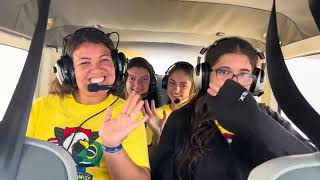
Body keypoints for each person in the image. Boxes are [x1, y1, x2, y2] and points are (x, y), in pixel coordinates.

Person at [151, 37, 316, 180]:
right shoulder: (181, 119)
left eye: (244, 74)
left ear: (255, 81)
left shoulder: (266, 118)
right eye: (224, 72)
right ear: (206, 76)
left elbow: (310, 166)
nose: (233, 83)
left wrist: (254, 120)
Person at [26, 27, 150, 180]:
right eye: (85, 62)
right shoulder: (41, 107)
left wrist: (113, 147)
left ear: (117, 66)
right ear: (68, 72)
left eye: (104, 60)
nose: (96, 69)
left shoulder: (129, 114)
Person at [144, 61, 198, 164]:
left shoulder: (200, 116)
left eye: (183, 85)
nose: (176, 90)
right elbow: (150, 161)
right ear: (165, 83)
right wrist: (157, 136)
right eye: (172, 83)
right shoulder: (156, 115)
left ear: (193, 88)